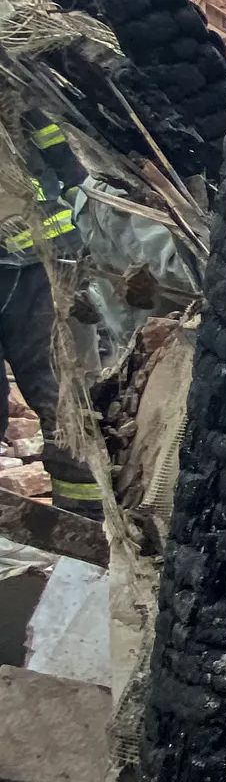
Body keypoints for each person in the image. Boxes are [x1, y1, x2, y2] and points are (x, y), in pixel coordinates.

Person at [6, 112, 103, 519]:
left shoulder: (15, 92)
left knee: (68, 402)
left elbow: (68, 156)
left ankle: (85, 523)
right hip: (41, 265)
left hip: (43, 266)